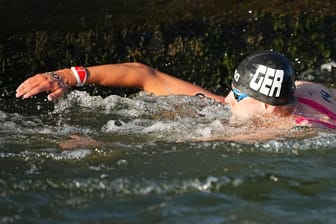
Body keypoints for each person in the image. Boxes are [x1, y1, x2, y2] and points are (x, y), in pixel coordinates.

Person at [15, 51, 336, 143]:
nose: (228, 96)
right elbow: (144, 74)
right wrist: (66, 76)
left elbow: (169, 144)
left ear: (267, 106)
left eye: (237, 93)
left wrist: (101, 147)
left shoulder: (271, 131)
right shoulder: (311, 91)